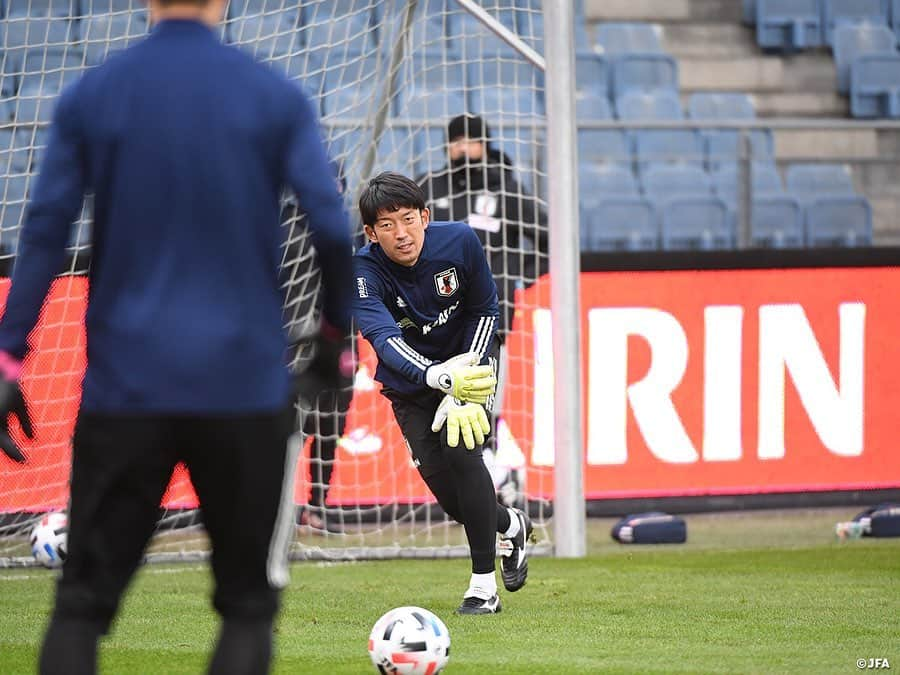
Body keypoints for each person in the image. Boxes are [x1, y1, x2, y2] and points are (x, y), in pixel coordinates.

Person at [0, 0, 354, 671]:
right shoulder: (274, 93)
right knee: (249, 608)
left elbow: (45, 228)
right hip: (246, 388)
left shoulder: (94, 92)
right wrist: (335, 336)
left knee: (80, 607)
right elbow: (331, 227)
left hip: (126, 390)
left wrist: (10, 353)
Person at [352, 171, 532, 616]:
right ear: (371, 233)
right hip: (414, 386)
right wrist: (438, 377)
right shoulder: (362, 272)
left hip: (470, 370)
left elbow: (485, 312)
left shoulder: (461, 242)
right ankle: (510, 524)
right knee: (453, 501)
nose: (401, 233)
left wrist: (464, 377)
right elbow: (384, 339)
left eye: (408, 219)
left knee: (463, 452)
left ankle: (482, 588)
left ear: (425, 217)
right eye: (387, 225)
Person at [416, 114, 548, 506]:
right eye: (455, 141)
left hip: (488, 320)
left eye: (470, 141)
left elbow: (547, 239)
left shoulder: (506, 189)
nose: (461, 148)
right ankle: (490, 480)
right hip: (433, 318)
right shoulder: (430, 187)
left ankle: (500, 477)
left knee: (483, 405)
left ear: (485, 144)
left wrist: (513, 277)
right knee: (439, 411)